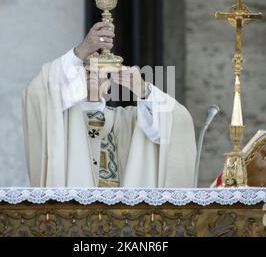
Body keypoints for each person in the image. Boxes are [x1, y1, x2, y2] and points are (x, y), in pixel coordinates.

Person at [22, 22, 197, 187]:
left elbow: (175, 124)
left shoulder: (130, 120)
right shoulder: (58, 120)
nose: (91, 71)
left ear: (108, 86)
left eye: (100, 69)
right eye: (85, 67)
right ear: (71, 80)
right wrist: (80, 51)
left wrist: (144, 90)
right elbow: (35, 95)